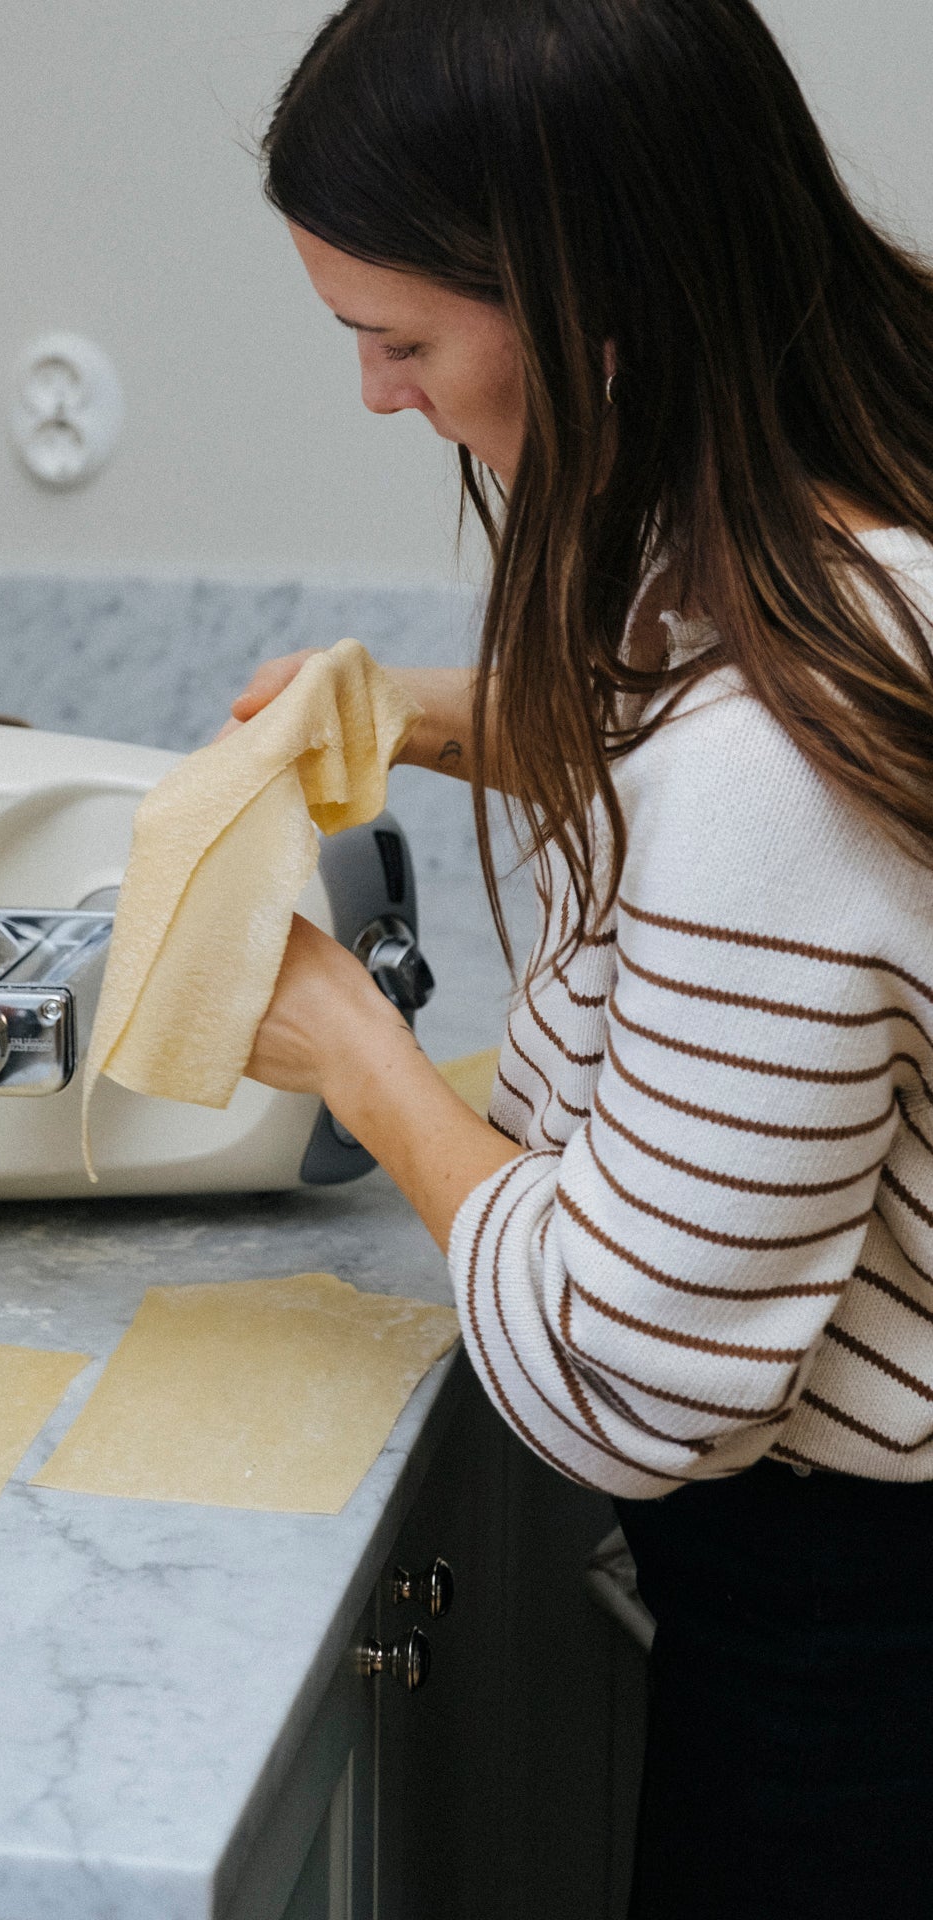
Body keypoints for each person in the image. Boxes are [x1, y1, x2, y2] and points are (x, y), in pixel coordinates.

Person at [227, 2, 933, 1915]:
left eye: (403, 341)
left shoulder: (778, 751)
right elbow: (782, 835)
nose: (381, 395)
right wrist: (446, 714)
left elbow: (630, 1370)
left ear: (595, 302)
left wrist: (347, 1044)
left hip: (863, 1665)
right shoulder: (856, 501)